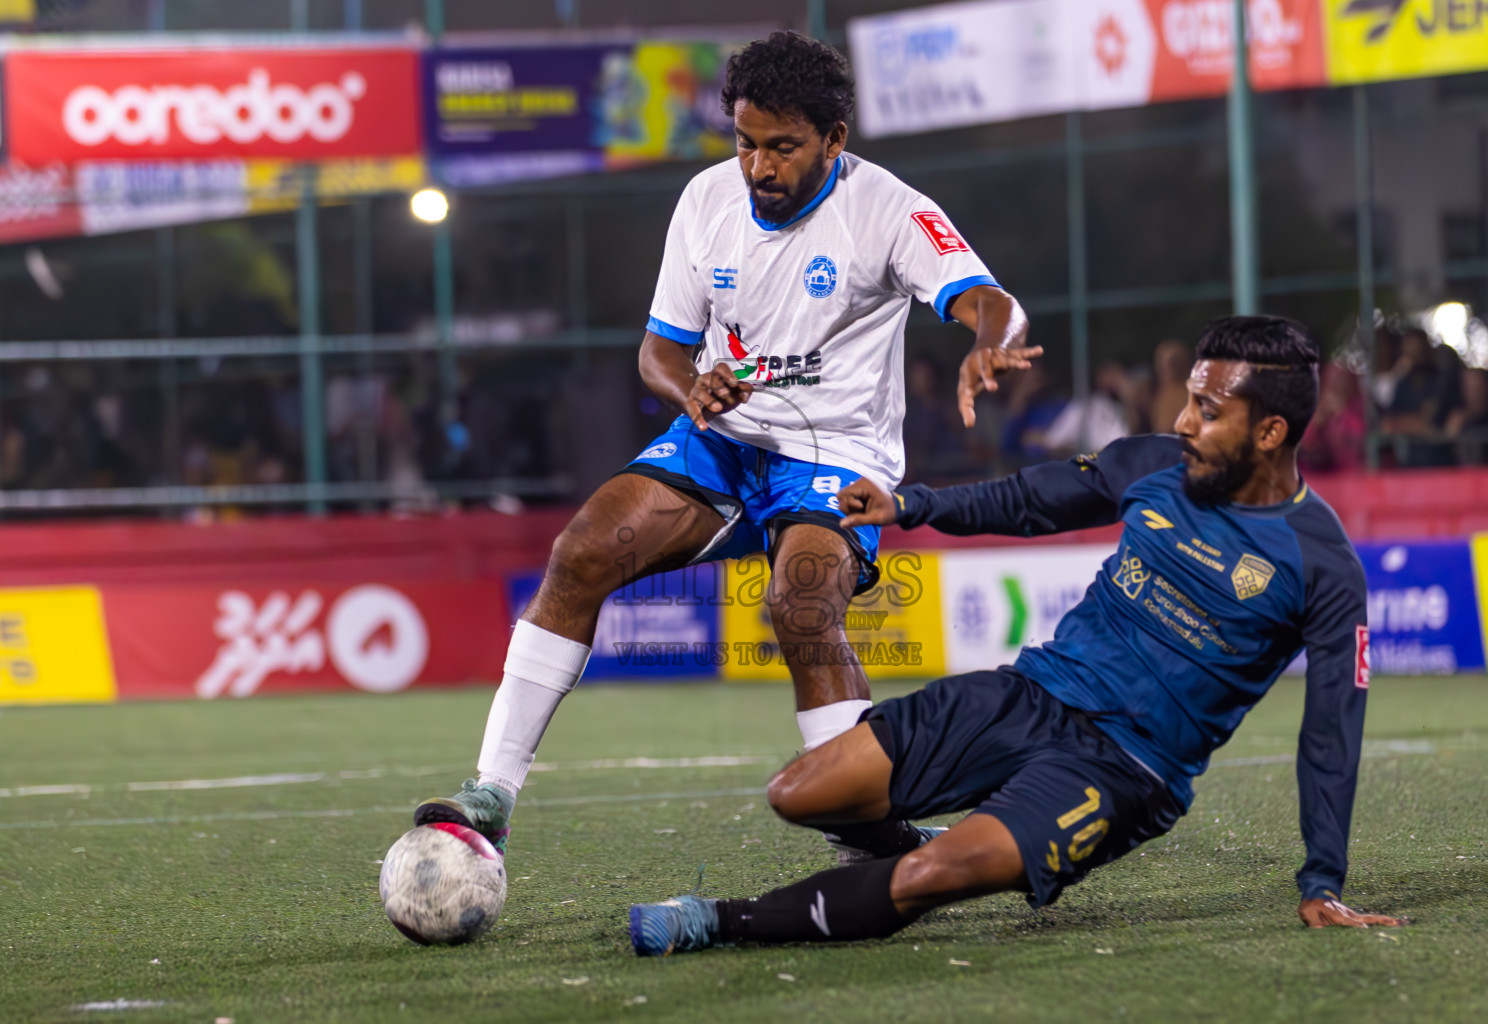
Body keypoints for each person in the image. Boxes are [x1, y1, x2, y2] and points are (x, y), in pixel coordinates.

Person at [414, 32, 1036, 855]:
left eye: (783, 147)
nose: (759, 167)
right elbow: (659, 352)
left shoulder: (888, 208)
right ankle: (490, 792)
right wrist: (691, 388)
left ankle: (865, 828)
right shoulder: (706, 202)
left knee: (801, 603)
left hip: (834, 454)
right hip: (720, 443)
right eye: (746, 143)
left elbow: (991, 300)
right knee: (582, 549)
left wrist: (987, 342)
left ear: (834, 142)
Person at [628, 316, 1405, 956]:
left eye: (1207, 410)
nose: (1181, 421)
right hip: (1030, 696)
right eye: (1189, 400)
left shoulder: (1321, 565)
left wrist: (1322, 881)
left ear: (1270, 431)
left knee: (933, 873)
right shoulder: (1152, 464)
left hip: (1124, 770)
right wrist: (913, 504)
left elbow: (1332, 731)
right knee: (799, 794)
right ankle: (937, 836)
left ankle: (715, 920)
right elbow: (1033, 500)